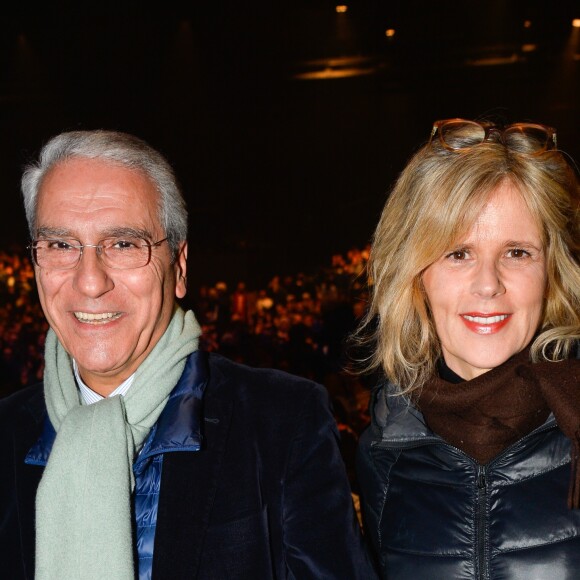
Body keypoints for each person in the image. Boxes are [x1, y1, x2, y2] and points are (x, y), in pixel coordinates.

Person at [0, 130, 377, 580]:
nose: (90, 282)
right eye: (61, 245)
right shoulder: (6, 433)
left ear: (178, 268)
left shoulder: (282, 424)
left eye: (123, 244)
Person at [355, 118, 580, 579]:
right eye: (458, 253)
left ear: (552, 270)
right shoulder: (382, 448)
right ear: (418, 274)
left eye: (517, 252)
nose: (487, 285)